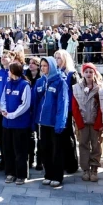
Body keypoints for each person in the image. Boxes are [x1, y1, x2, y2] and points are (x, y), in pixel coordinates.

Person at [34, 57, 68, 188]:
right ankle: (48, 174)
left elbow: (63, 104)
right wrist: (34, 121)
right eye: (41, 66)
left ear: (52, 66)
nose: (42, 68)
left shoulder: (60, 82)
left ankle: (57, 176)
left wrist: (60, 123)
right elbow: (35, 102)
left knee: (56, 151)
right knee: (44, 149)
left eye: (45, 66)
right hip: (42, 123)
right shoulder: (39, 82)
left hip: (54, 123)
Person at [0, 61, 32, 184]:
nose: (7, 72)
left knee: (20, 151)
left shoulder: (25, 85)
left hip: (20, 124)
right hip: (7, 124)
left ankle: (21, 174)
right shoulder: (8, 84)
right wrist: (4, 110)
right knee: (8, 150)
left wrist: (12, 115)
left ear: (14, 71)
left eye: (9, 70)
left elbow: (25, 104)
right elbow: (3, 99)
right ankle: (10, 172)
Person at [72, 62, 103, 182]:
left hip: (95, 122)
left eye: (91, 72)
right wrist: (79, 123)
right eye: (86, 72)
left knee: (96, 146)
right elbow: (75, 107)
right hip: (83, 122)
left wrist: (99, 123)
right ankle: (85, 169)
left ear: (94, 73)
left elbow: (102, 107)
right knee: (84, 145)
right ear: (82, 73)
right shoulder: (76, 87)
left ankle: (94, 168)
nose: (88, 74)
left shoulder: (100, 88)